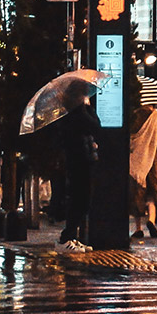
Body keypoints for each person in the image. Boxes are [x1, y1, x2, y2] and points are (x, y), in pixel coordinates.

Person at [58, 95, 99, 252]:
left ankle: (71, 236)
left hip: (82, 160)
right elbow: (95, 125)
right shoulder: (75, 113)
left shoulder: (77, 112)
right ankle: (66, 238)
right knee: (79, 200)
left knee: (82, 200)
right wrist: (86, 109)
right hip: (78, 161)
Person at [128, 104, 157, 240]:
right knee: (152, 192)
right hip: (155, 159)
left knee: (137, 193)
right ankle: (151, 220)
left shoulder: (136, 115)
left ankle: (138, 228)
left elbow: (131, 135)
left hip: (138, 159)